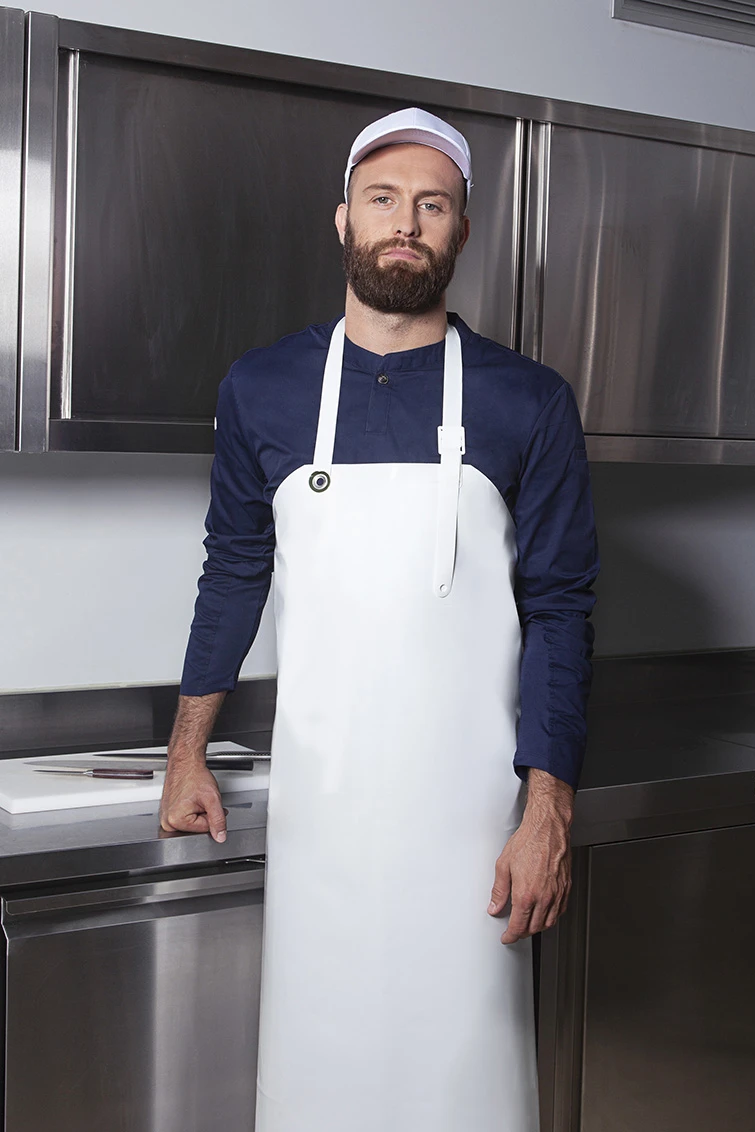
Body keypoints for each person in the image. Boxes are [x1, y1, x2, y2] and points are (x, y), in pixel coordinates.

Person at [160, 106, 599, 1132]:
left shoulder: (527, 401)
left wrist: (548, 812)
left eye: (432, 205)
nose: (406, 222)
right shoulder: (259, 390)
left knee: (465, 1094)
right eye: (384, 199)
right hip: (324, 823)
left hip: (468, 831)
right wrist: (187, 751)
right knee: (320, 1088)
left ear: (459, 232)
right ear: (343, 219)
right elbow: (233, 571)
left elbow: (560, 611)